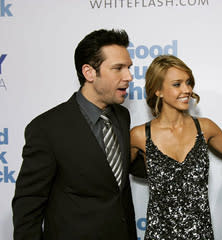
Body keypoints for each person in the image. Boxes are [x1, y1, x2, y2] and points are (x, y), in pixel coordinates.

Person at [12, 29, 144, 240]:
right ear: (89, 72)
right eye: (118, 68)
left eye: (128, 68)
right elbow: (28, 204)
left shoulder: (122, 115)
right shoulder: (46, 128)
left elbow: (114, 174)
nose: (129, 76)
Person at [130, 55, 222, 240]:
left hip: (200, 235)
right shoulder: (139, 135)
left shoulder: (205, 128)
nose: (187, 89)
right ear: (158, 91)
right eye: (177, 84)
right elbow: (112, 181)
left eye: (188, 82)